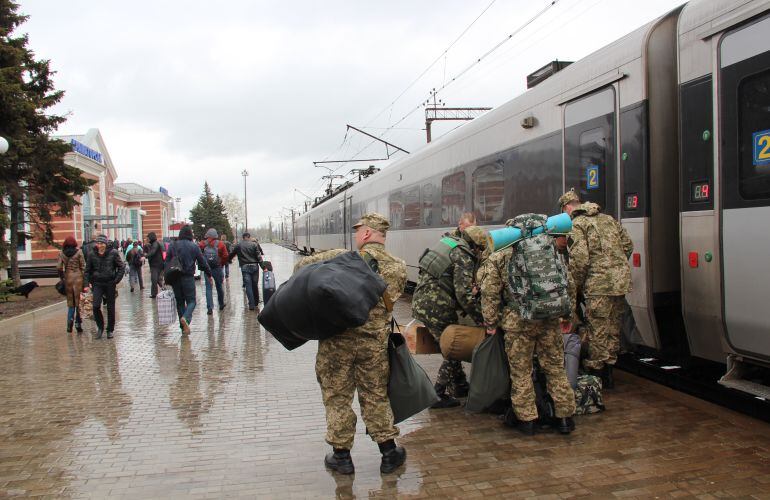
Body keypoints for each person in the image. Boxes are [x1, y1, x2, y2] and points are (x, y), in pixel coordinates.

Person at [294, 213, 407, 475]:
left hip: (337, 343)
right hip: (373, 346)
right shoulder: (399, 266)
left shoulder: (340, 257)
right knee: (375, 396)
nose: (357, 235)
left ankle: (341, 457)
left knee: (337, 398)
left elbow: (301, 269)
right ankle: (389, 453)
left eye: (359, 231)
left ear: (366, 233)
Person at [479, 215, 576, 436]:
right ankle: (564, 418)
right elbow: (567, 284)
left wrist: (491, 323)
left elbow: (489, 292)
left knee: (521, 371)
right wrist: (567, 316)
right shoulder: (550, 250)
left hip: (518, 321)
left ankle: (528, 421)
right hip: (549, 320)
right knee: (555, 369)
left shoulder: (502, 255)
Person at [559, 188, 633, 388]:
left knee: (598, 329)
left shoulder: (577, 224)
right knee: (612, 327)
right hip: (619, 283)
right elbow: (628, 245)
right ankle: (610, 368)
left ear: (567, 208)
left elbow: (580, 261)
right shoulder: (608, 219)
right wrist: (615, 268)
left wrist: (578, 285)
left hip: (598, 285)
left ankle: (600, 376)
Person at [411, 226, 487, 408]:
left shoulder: (448, 243)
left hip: (422, 301)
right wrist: (481, 319)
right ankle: (437, 393)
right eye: (480, 249)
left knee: (451, 344)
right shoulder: (464, 254)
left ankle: (460, 385)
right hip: (438, 307)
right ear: (475, 245)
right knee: (455, 345)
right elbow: (464, 294)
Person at [165, 225, 211, 334]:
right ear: (190, 234)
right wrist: (209, 274)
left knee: (180, 302)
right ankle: (185, 318)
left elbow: (166, 261)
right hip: (188, 277)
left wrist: (166, 275)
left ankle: (183, 328)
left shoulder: (173, 245)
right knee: (192, 301)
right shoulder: (194, 246)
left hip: (175, 277)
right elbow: (202, 262)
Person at [84, 234, 125, 339]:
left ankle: (110, 330)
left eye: (101, 243)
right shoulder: (92, 254)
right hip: (97, 283)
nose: (99, 245)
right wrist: (86, 284)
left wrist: (116, 280)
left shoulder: (113, 253)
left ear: (105, 244)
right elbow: (87, 271)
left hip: (109, 283)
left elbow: (121, 267)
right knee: (96, 306)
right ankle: (100, 327)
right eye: (97, 243)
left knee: (111, 308)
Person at [57, 236, 86, 333]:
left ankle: (69, 324)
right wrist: (85, 280)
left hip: (68, 279)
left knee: (70, 303)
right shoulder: (79, 252)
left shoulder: (61, 253)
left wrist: (62, 278)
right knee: (78, 303)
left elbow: (59, 268)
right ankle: (78, 324)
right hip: (78, 279)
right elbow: (83, 266)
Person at [227, 232, 263, 310]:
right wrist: (263, 267)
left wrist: (228, 260)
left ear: (243, 237)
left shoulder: (238, 245)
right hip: (254, 266)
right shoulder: (254, 244)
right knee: (255, 284)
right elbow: (259, 256)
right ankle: (256, 301)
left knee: (248, 286)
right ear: (249, 237)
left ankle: (251, 304)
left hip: (245, 266)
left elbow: (232, 254)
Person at [199, 228, 228, 315]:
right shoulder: (220, 244)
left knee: (208, 288)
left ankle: (210, 308)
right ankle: (221, 304)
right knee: (219, 286)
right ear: (216, 235)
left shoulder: (202, 243)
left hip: (207, 269)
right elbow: (226, 255)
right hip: (217, 268)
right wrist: (221, 264)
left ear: (207, 235)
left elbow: (198, 253)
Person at [145, 232, 165, 298]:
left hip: (156, 265)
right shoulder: (154, 243)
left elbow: (152, 252)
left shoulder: (155, 244)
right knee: (158, 280)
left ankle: (154, 294)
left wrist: (145, 256)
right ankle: (164, 290)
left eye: (148, 238)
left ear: (151, 238)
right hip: (158, 265)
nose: (147, 239)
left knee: (154, 279)